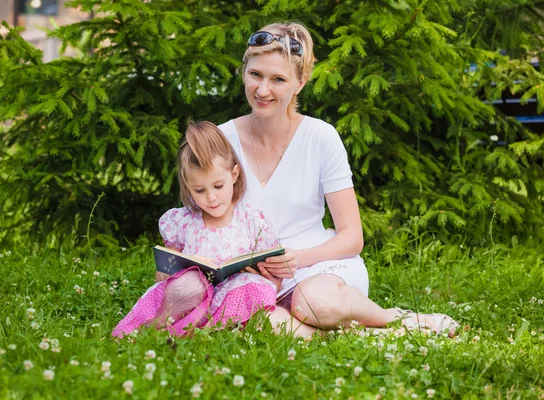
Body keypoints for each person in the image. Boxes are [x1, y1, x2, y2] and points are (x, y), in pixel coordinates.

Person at [218, 22, 460, 337]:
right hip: (254, 281)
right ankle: (364, 335)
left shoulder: (320, 137)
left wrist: (298, 259)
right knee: (267, 326)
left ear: (300, 82)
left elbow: (352, 236)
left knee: (315, 305)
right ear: (244, 72)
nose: (263, 90)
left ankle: (396, 319)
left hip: (318, 268)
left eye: (278, 79)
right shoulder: (221, 139)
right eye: (255, 75)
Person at [112, 121, 283, 338]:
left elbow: (274, 282)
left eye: (218, 186)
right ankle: (163, 326)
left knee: (252, 286)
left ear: (234, 174)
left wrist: (260, 277)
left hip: (232, 299)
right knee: (188, 286)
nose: (211, 197)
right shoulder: (181, 221)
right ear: (187, 185)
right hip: (192, 299)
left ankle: (212, 330)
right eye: (199, 190)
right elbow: (163, 277)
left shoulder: (254, 221)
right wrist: (188, 263)